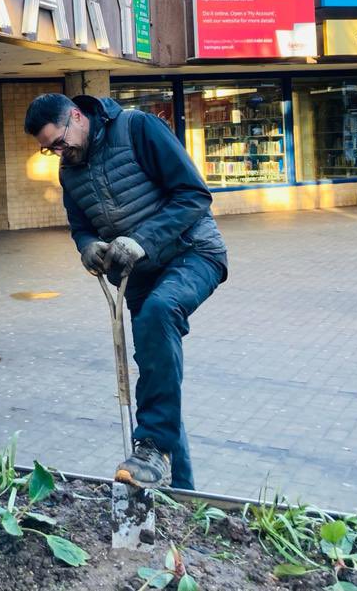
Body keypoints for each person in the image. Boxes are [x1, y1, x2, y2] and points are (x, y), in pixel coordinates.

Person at [24, 92, 227, 490]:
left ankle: (150, 445)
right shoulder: (69, 171)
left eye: (59, 142)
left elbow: (194, 195)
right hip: (138, 275)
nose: (59, 153)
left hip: (193, 253)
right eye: (49, 150)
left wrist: (142, 239)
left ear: (77, 117)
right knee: (157, 372)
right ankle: (179, 488)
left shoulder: (138, 128)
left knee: (158, 314)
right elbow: (80, 224)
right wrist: (86, 247)